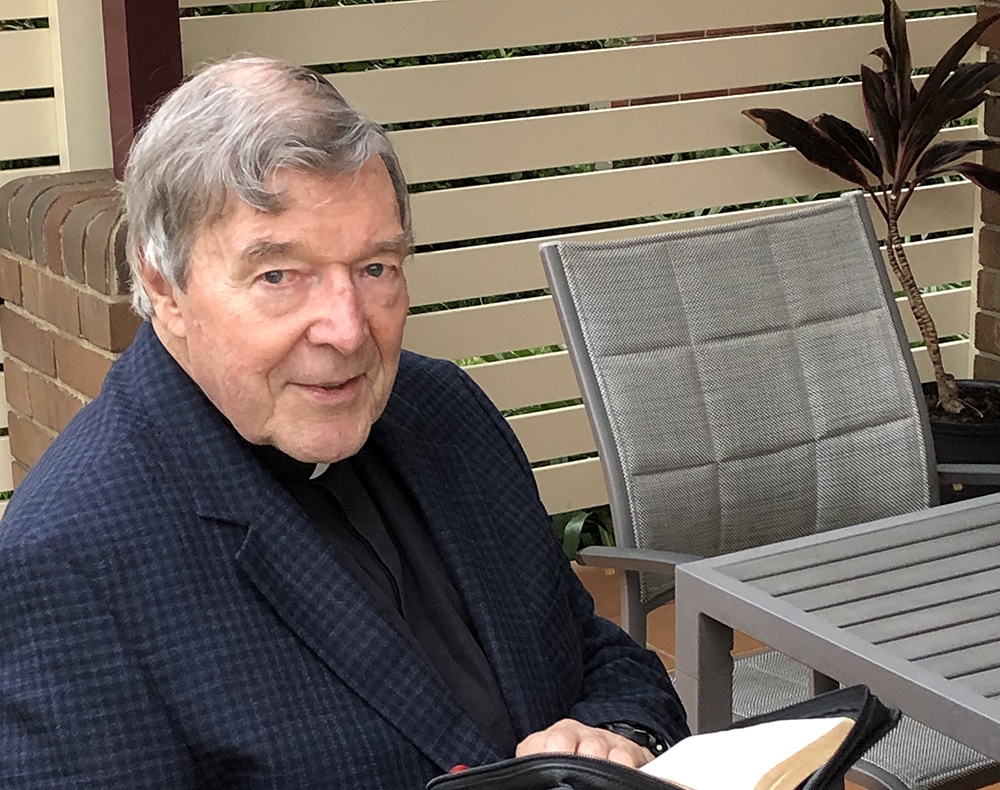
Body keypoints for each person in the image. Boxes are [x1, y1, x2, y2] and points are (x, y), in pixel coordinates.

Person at [0, 56, 688, 788]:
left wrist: (618, 736)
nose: (348, 330)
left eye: (374, 268)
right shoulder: (66, 561)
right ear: (164, 286)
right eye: (278, 275)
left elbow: (593, 652)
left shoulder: (445, 411)